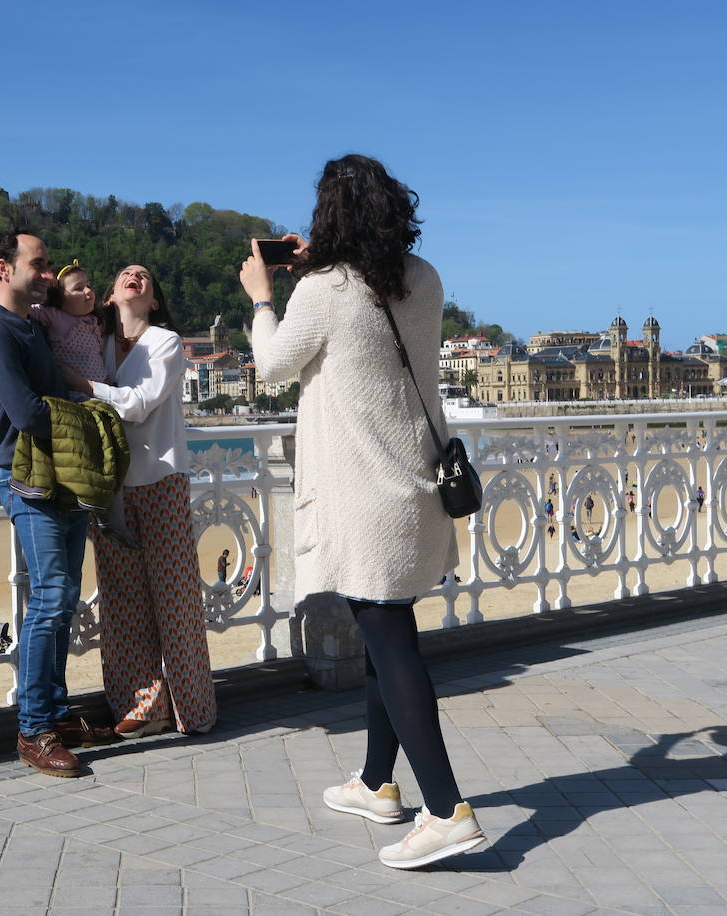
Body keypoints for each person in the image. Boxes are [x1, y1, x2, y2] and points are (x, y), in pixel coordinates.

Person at [240, 154, 484, 870]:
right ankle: (379, 784)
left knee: (393, 645)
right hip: (418, 486)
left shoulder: (323, 289)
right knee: (390, 632)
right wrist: (327, 266)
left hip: (363, 495)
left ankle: (447, 810)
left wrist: (262, 297)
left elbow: (276, 364)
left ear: (328, 217)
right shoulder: (425, 277)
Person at [0, 228, 117, 778]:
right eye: (40, 263)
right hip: (26, 478)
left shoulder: (27, 324)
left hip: (61, 474)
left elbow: (58, 377)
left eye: (51, 263)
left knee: (64, 595)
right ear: (5, 269)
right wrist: (90, 420)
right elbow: (29, 413)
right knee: (52, 598)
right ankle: (33, 730)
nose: (49, 272)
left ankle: (57, 713)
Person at [63, 265, 217, 739]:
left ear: (152, 300)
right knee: (122, 602)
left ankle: (195, 708)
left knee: (176, 598)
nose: (136, 276)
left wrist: (85, 386)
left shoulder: (165, 342)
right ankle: (144, 705)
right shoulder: (96, 343)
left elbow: (138, 403)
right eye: (126, 274)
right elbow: (51, 314)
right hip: (110, 484)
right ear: (110, 295)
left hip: (162, 479)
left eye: (146, 276)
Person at [31, 260, 138, 549]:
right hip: (77, 400)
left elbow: (114, 310)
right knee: (93, 457)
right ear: (60, 297)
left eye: (89, 285)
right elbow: (25, 308)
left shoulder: (95, 319)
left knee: (112, 456)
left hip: (100, 397)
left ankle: (108, 515)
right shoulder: (53, 316)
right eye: (78, 288)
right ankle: (100, 512)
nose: (88, 291)